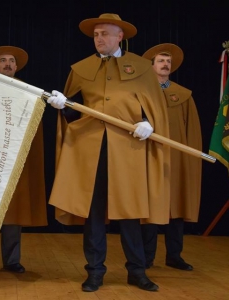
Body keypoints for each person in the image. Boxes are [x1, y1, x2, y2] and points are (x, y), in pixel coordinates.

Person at [46, 13, 171, 292]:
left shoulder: (141, 68)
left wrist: (149, 124)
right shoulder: (81, 69)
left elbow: (156, 110)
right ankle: (95, 271)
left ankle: (137, 271)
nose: (99, 39)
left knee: (129, 213)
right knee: (94, 213)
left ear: (120, 37)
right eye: (96, 35)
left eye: (104, 34)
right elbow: (73, 111)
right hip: (91, 151)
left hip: (128, 150)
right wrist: (63, 105)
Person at [0, 46, 48, 274]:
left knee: (14, 212)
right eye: (3, 60)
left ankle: (12, 260)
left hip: (14, 159)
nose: (8, 64)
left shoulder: (28, 93)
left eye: (11, 61)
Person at [141, 43, 202, 271]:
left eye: (168, 61)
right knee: (150, 208)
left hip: (176, 159)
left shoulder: (183, 95)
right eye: (161, 60)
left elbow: (192, 131)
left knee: (176, 206)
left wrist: (189, 160)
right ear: (152, 65)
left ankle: (174, 255)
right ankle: (147, 257)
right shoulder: (142, 92)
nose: (165, 64)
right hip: (150, 156)